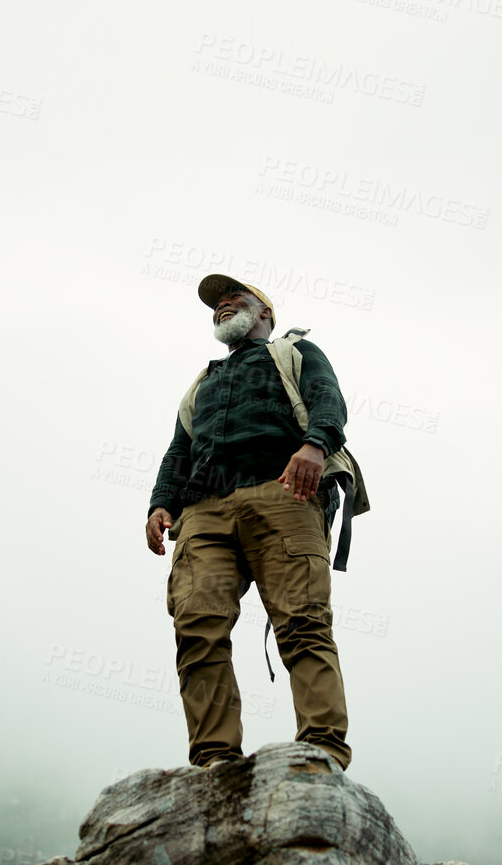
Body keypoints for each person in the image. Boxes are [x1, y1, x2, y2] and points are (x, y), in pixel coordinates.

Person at [145, 275, 352, 771]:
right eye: (216, 303)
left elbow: (328, 399)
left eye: (235, 298)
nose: (222, 304)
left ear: (264, 314)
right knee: (197, 627)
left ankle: (320, 753)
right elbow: (180, 448)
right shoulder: (202, 384)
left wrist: (314, 445)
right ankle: (215, 760)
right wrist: (160, 503)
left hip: (283, 491)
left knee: (302, 622)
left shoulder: (294, 352)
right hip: (203, 510)